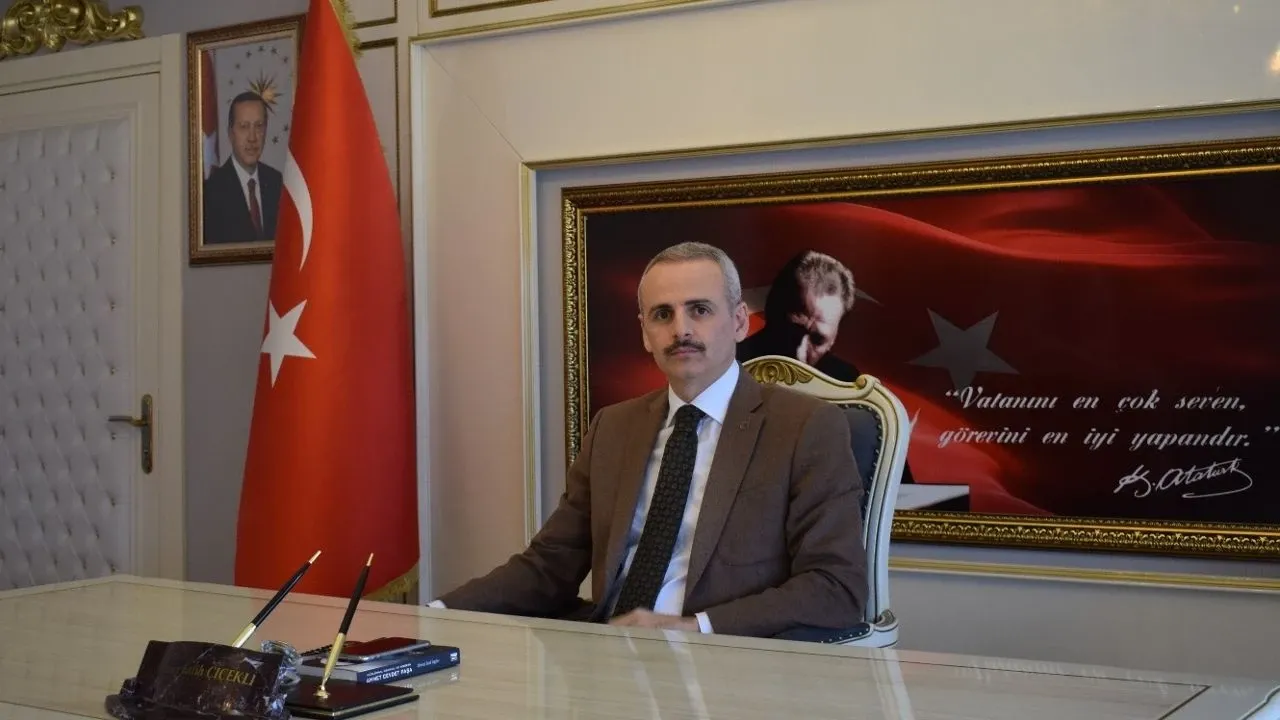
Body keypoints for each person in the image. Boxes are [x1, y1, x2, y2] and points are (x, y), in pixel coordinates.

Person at [431, 242, 867, 638]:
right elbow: (549, 565)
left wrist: (693, 628)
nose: (681, 330)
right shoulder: (613, 427)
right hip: (605, 652)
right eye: (662, 315)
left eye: (700, 310)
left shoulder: (807, 427)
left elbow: (836, 586)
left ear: (738, 321)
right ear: (644, 332)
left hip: (722, 662)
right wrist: (435, 614)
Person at [737, 250, 860, 381]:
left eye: (817, 340)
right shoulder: (727, 365)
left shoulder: (848, 383)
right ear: (771, 309)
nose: (799, 355)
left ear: (833, 340)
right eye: (792, 331)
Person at [202, 91, 283, 245]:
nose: (252, 138)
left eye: (259, 126)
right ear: (230, 133)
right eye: (244, 127)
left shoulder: (276, 182)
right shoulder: (211, 191)